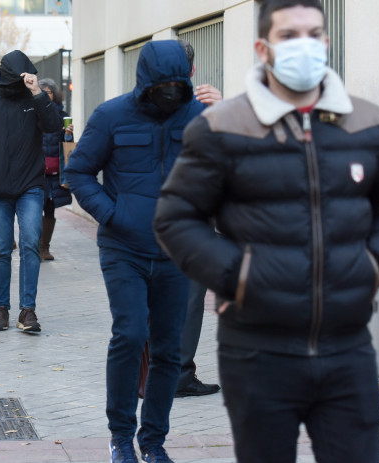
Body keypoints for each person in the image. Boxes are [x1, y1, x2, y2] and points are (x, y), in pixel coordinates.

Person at [153, 1, 379, 461]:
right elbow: (176, 218)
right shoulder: (221, 127)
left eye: (314, 34)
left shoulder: (368, 124)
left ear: (326, 42)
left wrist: (374, 264)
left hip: (347, 347)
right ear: (263, 47)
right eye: (289, 36)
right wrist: (237, 275)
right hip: (258, 352)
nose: (305, 46)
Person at [64, 40, 209, 463]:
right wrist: (112, 215)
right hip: (123, 248)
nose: (168, 93)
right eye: (160, 86)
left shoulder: (200, 119)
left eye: (175, 85)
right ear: (145, 80)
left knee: (168, 350)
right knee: (129, 335)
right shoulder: (112, 116)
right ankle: (121, 439)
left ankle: (153, 442)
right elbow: (79, 172)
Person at [0, 50, 62, 333]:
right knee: (2, 249)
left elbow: (53, 126)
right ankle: (1, 309)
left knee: (30, 243)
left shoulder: (35, 98)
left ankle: (27, 311)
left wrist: (38, 94)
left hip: (30, 185)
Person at [174, 39, 221, 398]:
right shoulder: (205, 108)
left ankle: (149, 375)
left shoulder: (131, 108)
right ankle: (178, 375)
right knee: (189, 300)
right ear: (192, 70)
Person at [37, 78, 73, 261]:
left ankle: (45, 248)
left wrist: (69, 134)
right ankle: (34, 246)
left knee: (50, 209)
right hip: (37, 171)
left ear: (54, 95)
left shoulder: (63, 115)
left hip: (56, 170)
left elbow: (68, 144)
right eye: (41, 92)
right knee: (36, 208)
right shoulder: (33, 113)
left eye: (48, 93)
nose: (45, 96)